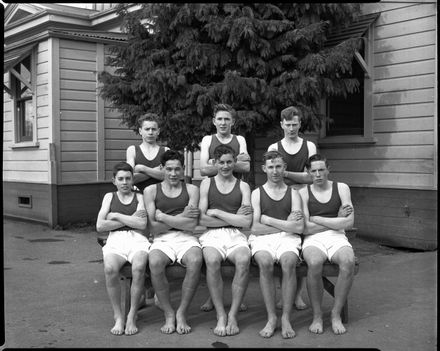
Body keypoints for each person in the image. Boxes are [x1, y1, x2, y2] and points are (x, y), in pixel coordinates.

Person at [143, 150, 203, 334]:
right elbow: (153, 228)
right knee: (154, 262)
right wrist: (180, 217)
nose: (173, 173)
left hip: (186, 238)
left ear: (183, 169)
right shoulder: (151, 190)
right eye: (169, 169)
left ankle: (182, 313)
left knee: (195, 260)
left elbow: (191, 224)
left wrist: (163, 216)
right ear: (162, 169)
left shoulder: (192, 190)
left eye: (177, 169)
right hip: (162, 240)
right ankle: (169, 313)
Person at [199, 103, 251, 312]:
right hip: (215, 194)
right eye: (219, 119)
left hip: (235, 194)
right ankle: (214, 299)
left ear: (233, 121)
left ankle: (236, 299)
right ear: (214, 121)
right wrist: (232, 163)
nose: (223, 123)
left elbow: (246, 167)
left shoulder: (240, 140)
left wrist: (220, 165)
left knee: (239, 256)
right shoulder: (207, 140)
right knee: (213, 259)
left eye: (227, 119)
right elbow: (203, 169)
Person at [198, 144, 253, 336]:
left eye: (229, 162)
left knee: (244, 260)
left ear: (235, 162)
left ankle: (233, 315)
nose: (225, 166)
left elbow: (246, 221)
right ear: (214, 163)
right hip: (212, 235)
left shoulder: (243, 186)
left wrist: (218, 212)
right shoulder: (207, 183)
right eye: (221, 162)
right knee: (212, 261)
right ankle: (221, 315)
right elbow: (201, 218)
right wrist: (232, 217)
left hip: (236, 235)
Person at [249, 151, 304, 339]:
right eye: (271, 167)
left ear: (284, 168)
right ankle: (272, 317)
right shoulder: (257, 193)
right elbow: (255, 228)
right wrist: (284, 223)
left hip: (288, 239)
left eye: (278, 166)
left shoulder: (293, 193)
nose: (275, 171)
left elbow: (298, 226)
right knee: (264, 262)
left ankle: (286, 317)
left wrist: (268, 220)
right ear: (264, 168)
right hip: (263, 239)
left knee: (288, 262)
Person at [298, 154, 355, 335]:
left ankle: (335, 314)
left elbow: (348, 223)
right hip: (313, 239)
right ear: (308, 173)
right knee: (314, 263)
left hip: (337, 236)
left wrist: (317, 218)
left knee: (348, 261)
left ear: (328, 169)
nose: (318, 174)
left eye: (321, 170)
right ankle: (316, 315)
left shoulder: (342, 188)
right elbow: (305, 229)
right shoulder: (303, 192)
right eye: (313, 171)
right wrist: (336, 218)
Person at [267, 105, 317, 311]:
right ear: (281, 124)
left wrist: (287, 174)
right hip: (280, 198)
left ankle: (297, 295)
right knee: (283, 242)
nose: (291, 128)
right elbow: (272, 175)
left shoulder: (310, 146)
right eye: (288, 125)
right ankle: (284, 292)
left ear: (300, 124)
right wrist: (296, 177)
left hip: (304, 197)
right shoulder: (274, 146)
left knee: (303, 242)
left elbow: (311, 176)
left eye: (295, 124)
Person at [96, 162, 150, 336]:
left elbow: (141, 223)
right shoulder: (109, 197)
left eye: (128, 178)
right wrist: (130, 219)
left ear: (133, 180)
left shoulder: (140, 197)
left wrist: (117, 215)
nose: (125, 182)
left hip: (138, 239)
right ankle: (118, 316)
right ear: (114, 181)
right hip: (116, 240)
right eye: (120, 179)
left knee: (139, 267)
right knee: (110, 268)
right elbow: (100, 226)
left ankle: (132, 315)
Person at [126, 113, 169, 194]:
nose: (150, 132)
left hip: (161, 197)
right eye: (147, 129)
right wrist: (156, 171)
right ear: (140, 131)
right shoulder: (132, 150)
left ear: (158, 131)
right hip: (138, 197)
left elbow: (166, 176)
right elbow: (130, 178)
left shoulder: (166, 151)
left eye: (153, 129)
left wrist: (142, 168)